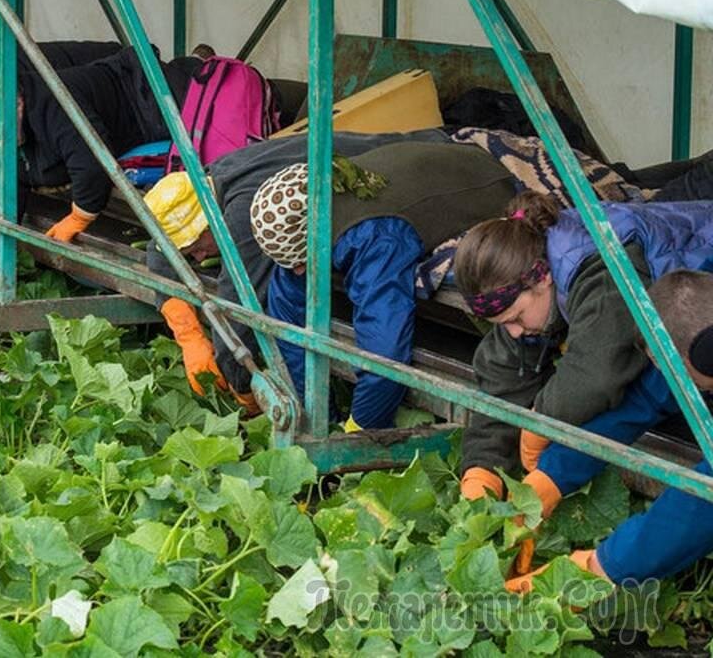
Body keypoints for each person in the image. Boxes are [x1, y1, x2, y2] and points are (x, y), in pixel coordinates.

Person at [140, 132, 516, 421]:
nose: (200, 258)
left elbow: (385, 355)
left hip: (482, 176)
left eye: (196, 249)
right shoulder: (287, 218)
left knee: (378, 320)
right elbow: (285, 312)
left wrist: (361, 428)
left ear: (315, 245)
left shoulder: (374, 239)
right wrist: (312, 414)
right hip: (408, 160)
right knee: (287, 289)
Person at [453, 194, 713, 506]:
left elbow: (597, 371)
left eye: (516, 318)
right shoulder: (526, 283)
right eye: (502, 324)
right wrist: (482, 468)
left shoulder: (603, 271)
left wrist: (542, 420)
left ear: (542, 278)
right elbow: (502, 378)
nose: (514, 332)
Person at [505, 269, 713, 590]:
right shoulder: (700, 319)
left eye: (665, 364)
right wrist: (553, 475)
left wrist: (602, 567)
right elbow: (647, 398)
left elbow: (702, 499)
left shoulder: (702, 344)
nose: (661, 371)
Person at [0, 45, 187, 327]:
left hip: (163, 100)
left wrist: (80, 215)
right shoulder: (3, 132)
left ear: (17, 104)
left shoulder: (55, 103)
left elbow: (91, 164)